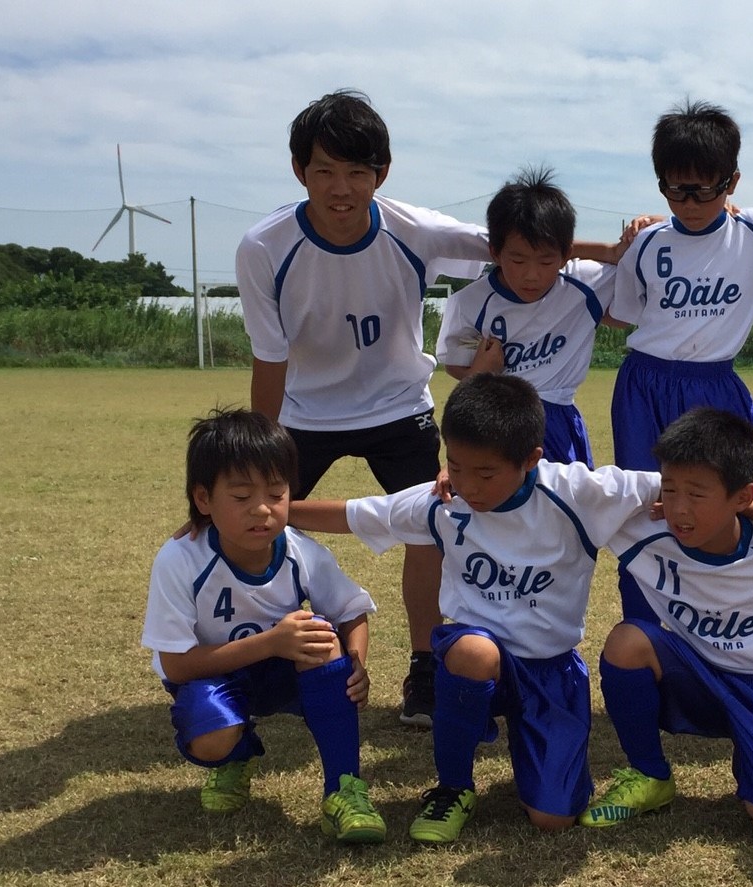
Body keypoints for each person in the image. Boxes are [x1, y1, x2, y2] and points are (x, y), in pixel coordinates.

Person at [288, 374, 665, 844]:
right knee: (471, 651)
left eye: (485, 474)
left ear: (531, 459)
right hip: (476, 655)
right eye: (456, 466)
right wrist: (276, 511)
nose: (468, 485)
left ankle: (544, 768)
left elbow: (674, 485)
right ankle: (453, 787)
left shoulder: (577, 492)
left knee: (552, 818)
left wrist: (748, 507)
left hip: (551, 669)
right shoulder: (444, 500)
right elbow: (358, 513)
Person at [235, 89, 491, 727]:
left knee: (428, 527)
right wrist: (258, 458)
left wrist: (619, 248)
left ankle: (427, 670)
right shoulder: (263, 247)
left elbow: (519, 243)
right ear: (299, 171)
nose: (340, 188)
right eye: (323, 170)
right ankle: (259, 661)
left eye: (357, 171)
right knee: (252, 526)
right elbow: (270, 358)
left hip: (398, 407)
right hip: (304, 414)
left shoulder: (415, 230)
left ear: (383, 172)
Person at [606, 98, 753, 622]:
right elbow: (622, 314)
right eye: (675, 189)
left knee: (748, 504)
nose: (689, 202)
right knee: (649, 512)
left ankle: (752, 630)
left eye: (703, 189)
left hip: (715, 385)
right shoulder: (648, 242)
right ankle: (648, 632)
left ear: (732, 182)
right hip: (644, 385)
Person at [579, 407, 753, 846]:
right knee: (628, 641)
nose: (679, 509)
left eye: (697, 494)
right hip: (700, 678)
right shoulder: (644, 528)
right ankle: (650, 774)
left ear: (742, 496)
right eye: (670, 489)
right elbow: (555, 487)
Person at [141, 409, 386, 844]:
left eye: (276, 493)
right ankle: (235, 754)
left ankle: (344, 790)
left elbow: (350, 611)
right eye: (241, 496)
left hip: (283, 672)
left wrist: (355, 664)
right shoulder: (180, 559)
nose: (262, 509)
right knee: (211, 735)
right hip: (213, 677)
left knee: (322, 638)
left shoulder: (299, 550)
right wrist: (271, 642)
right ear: (203, 499)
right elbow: (176, 665)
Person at [436, 167, 619, 467]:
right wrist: (482, 374)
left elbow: (637, 257)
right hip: (499, 421)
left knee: (564, 497)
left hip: (558, 420)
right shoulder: (469, 303)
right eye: (518, 260)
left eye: (546, 261)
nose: (531, 275)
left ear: (566, 255)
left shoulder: (584, 284)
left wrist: (612, 248)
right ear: (495, 253)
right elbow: (455, 364)